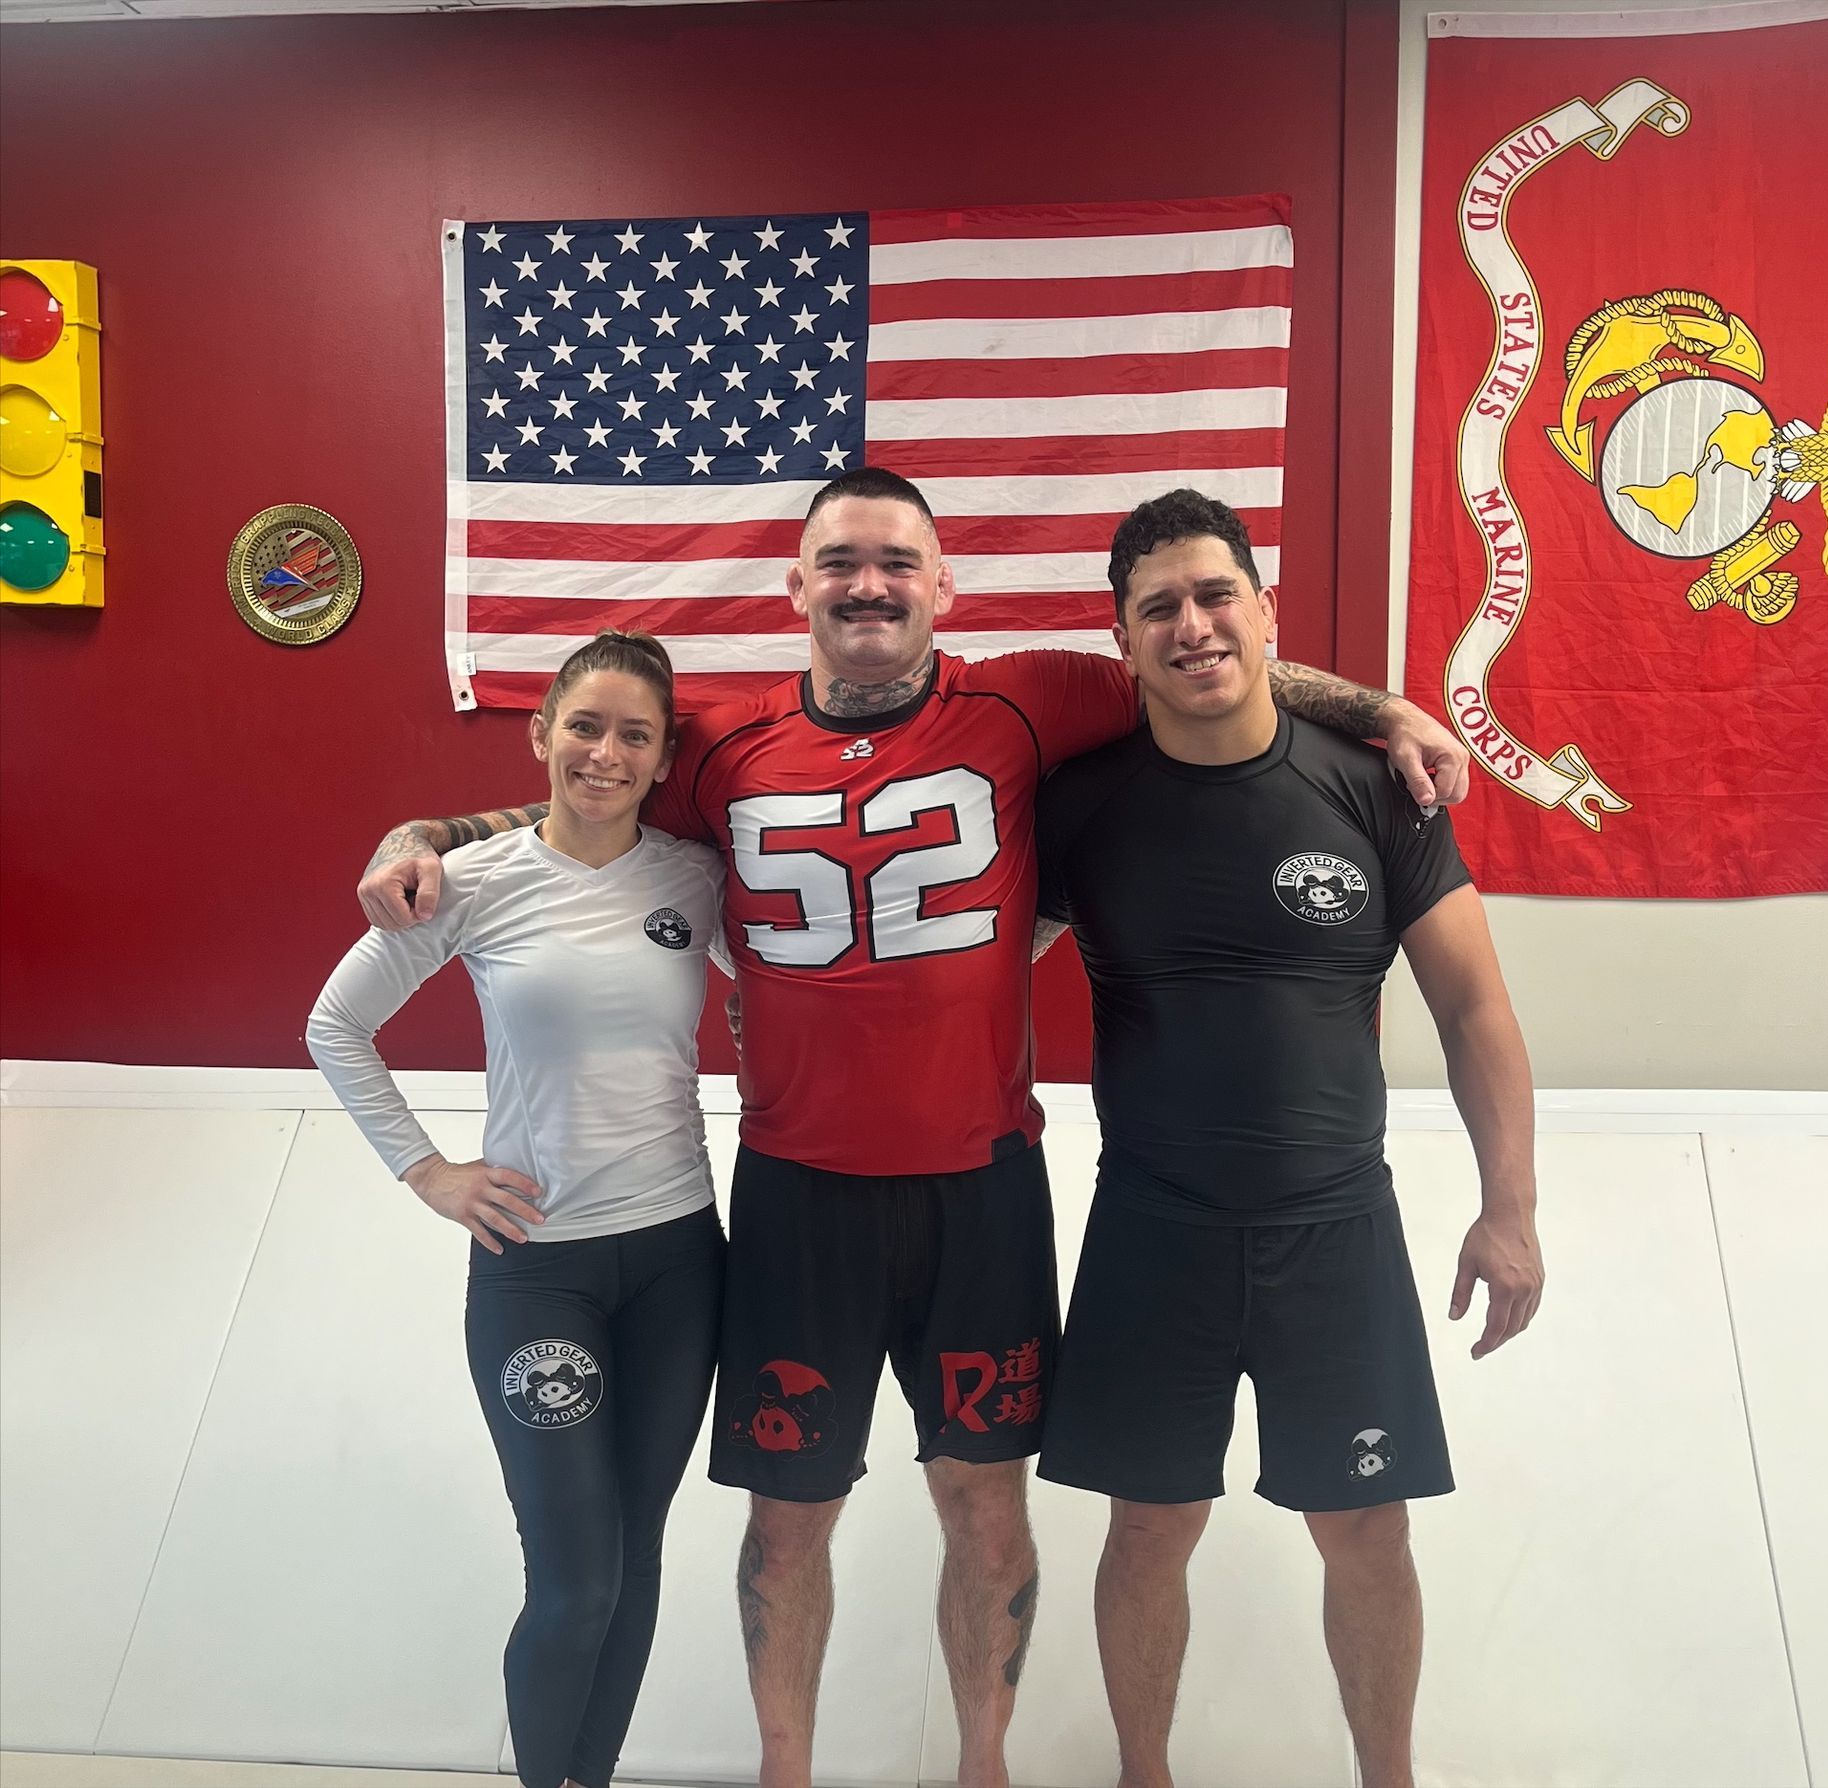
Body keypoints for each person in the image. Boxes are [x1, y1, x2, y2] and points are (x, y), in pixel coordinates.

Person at [352, 467, 1471, 1788]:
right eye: (840, 564)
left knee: (984, 1507)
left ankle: (981, 1767)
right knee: (787, 1522)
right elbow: (578, 800)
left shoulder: (1031, 696)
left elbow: (1214, 663)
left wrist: (1388, 708)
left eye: (897, 563)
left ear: (945, 587)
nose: (869, 585)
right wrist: (428, 829)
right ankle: (788, 1772)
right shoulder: (716, 737)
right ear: (801, 589)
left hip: (978, 1189)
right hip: (796, 1194)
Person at [1032, 490, 1545, 1788]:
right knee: (1150, 1529)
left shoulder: (1379, 786)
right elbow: (954, 974)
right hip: (1154, 1228)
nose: (1193, 625)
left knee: (1366, 1530)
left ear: (1267, 611)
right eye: (1160, 607)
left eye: (1217, 596)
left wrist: (1512, 1209)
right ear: (1123, 636)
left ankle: (1391, 1779)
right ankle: (1141, 1775)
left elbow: (1476, 1009)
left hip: (1338, 1229)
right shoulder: (1078, 807)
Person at [309, 631, 729, 1788]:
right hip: (539, 1269)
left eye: (633, 735)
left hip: (680, 1265)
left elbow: (816, 975)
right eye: (583, 727)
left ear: (661, 760)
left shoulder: (694, 878)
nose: (604, 753)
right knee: (574, 1579)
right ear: (539, 736)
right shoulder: (467, 883)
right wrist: (428, 1172)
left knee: (634, 1561)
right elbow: (333, 1026)